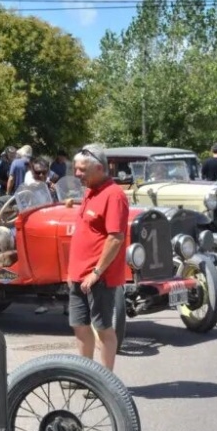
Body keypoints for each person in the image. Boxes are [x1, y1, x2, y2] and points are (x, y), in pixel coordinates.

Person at [65, 144, 130, 372]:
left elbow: (115, 238)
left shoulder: (114, 195)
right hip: (78, 275)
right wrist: (72, 272)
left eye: (82, 169)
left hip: (99, 277)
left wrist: (96, 272)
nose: (77, 173)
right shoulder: (89, 191)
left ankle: (105, 381)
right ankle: (86, 375)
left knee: (103, 328)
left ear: (99, 168)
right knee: (79, 326)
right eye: (76, 168)